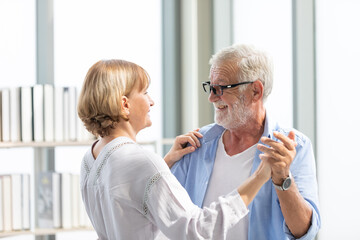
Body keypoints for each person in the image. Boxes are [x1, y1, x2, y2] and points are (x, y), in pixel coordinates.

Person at [77, 59, 273, 240]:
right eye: (145, 92)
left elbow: (126, 198)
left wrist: (166, 162)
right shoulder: (142, 161)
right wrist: (259, 178)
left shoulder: (91, 158)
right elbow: (197, 229)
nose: (151, 101)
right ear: (125, 104)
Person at [170, 44, 321, 240]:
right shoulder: (195, 145)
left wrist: (283, 177)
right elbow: (163, 213)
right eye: (211, 87)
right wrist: (167, 161)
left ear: (256, 91)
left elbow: (304, 232)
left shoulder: (294, 147)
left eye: (221, 88)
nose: (211, 98)